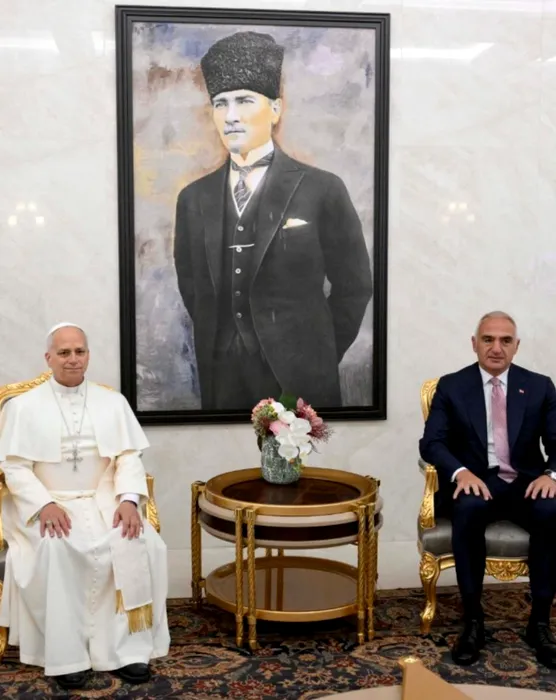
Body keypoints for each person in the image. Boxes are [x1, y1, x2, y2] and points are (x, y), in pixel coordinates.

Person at [174, 30, 373, 410]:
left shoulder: (323, 189)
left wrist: (318, 353)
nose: (231, 116)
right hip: (223, 378)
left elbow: (355, 285)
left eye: (245, 101)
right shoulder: (193, 199)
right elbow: (192, 287)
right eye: (220, 103)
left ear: (276, 109)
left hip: (302, 378)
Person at [0, 323, 170, 690]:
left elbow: (128, 457)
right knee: (56, 547)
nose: (72, 359)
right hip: (51, 502)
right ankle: (67, 656)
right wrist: (43, 504)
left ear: (88, 355)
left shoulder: (113, 402)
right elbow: (14, 467)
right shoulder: (23, 407)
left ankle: (127, 650)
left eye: (79, 351)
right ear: (49, 357)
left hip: (104, 499)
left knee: (140, 541)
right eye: (64, 352)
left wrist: (128, 500)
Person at [420, 311, 556, 669]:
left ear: (516, 346)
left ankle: (540, 624)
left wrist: (551, 474)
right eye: (488, 339)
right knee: (468, 508)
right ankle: (473, 621)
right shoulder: (452, 386)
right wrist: (460, 472)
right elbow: (431, 443)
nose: (497, 348)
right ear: (474, 343)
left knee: (551, 510)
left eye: (505, 340)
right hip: (478, 481)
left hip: (525, 482)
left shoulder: (539, 386)